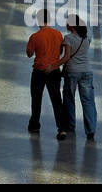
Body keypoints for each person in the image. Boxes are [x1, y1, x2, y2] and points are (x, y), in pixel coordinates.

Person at [26, 11, 71, 139]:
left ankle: (34, 124)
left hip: (39, 71)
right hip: (54, 71)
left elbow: (29, 54)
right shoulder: (58, 34)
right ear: (49, 20)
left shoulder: (35, 36)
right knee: (56, 100)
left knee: (36, 99)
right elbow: (61, 51)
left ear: (38, 21)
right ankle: (61, 128)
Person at [57, 15, 97, 141]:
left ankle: (70, 125)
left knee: (69, 98)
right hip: (87, 71)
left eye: (67, 22)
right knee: (88, 101)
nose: (66, 24)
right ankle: (91, 129)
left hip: (72, 72)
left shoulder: (68, 38)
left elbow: (66, 57)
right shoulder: (87, 38)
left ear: (71, 25)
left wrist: (53, 66)